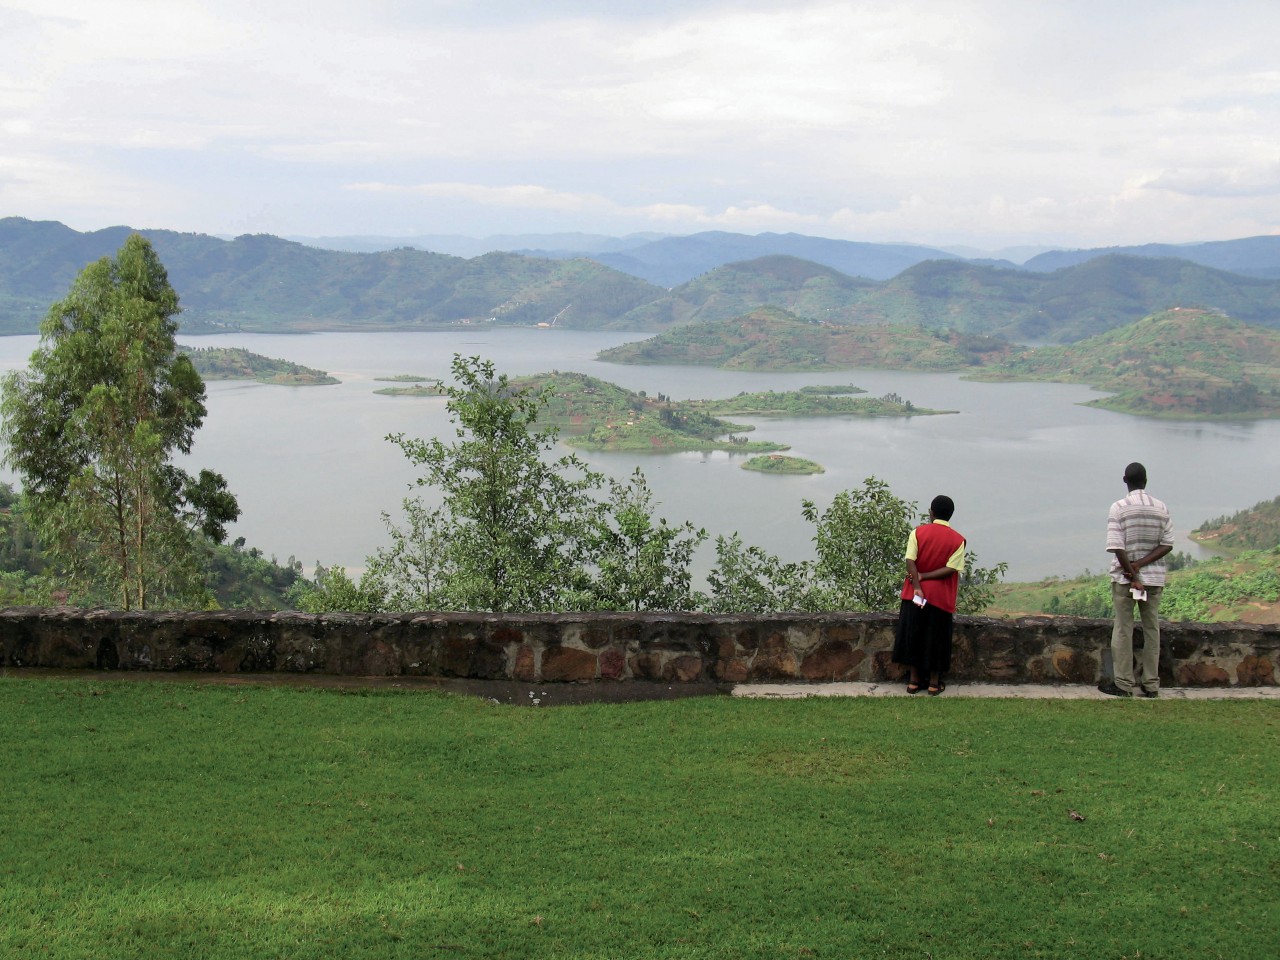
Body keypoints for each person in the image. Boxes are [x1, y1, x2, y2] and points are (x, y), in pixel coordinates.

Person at [1099, 462, 1174, 698]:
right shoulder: (1161, 508)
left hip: (1124, 580)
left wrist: (1131, 571)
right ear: (1146, 480)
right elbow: (1167, 544)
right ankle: (1151, 684)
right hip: (1153, 579)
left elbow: (1116, 546)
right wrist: (1141, 566)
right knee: (1152, 629)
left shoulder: (1119, 508)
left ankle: (1123, 683)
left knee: (1123, 628)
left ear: (1125, 480)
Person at [892, 495, 966, 696]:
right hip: (941, 598)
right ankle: (934, 683)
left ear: (931, 512)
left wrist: (917, 583)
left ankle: (914, 681)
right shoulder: (958, 540)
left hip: (914, 595)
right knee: (937, 639)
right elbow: (951, 568)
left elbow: (910, 560)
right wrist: (927, 576)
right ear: (950, 515)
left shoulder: (918, 532)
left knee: (914, 635)